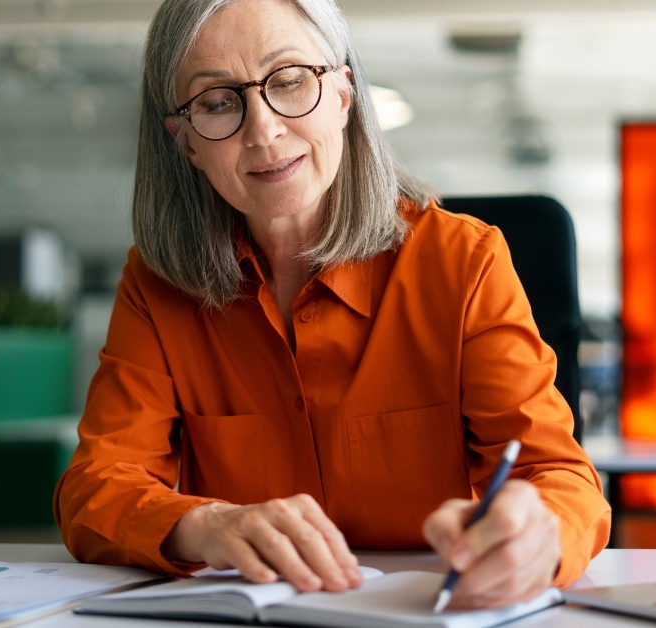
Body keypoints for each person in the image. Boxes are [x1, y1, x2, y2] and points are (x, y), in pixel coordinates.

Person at [54, 0, 611, 610]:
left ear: (345, 93)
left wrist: (538, 538)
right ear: (185, 142)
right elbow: (96, 487)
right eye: (217, 102)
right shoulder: (157, 285)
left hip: (427, 614)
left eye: (290, 82)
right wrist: (208, 525)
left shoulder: (463, 261)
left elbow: (559, 478)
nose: (263, 130)